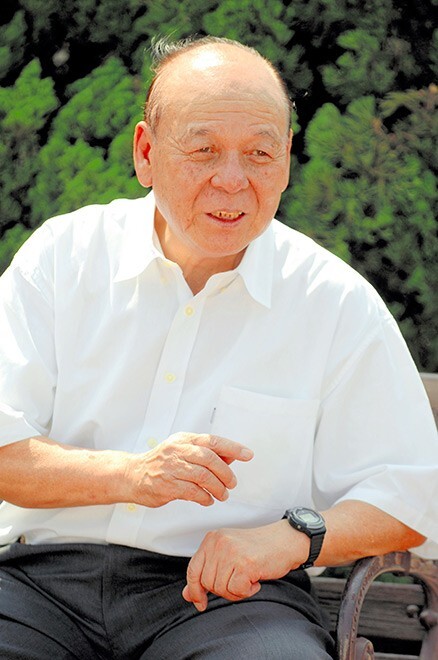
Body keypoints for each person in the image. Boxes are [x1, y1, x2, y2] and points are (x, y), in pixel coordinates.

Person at [0, 35, 436, 660]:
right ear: (146, 153)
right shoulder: (62, 257)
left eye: (259, 153)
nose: (232, 181)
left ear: (286, 159)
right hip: (39, 584)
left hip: (231, 600)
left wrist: (290, 539)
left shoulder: (334, 300)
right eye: (203, 150)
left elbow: (410, 496)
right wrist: (133, 475)